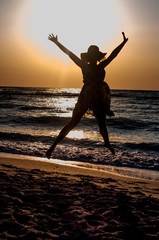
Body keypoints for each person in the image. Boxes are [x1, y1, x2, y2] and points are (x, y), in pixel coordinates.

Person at [46, 32, 128, 159]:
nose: (94, 57)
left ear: (97, 56)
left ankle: (107, 144)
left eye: (95, 55)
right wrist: (57, 43)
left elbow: (113, 55)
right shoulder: (84, 66)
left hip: (98, 96)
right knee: (73, 123)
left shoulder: (101, 65)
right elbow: (69, 54)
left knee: (102, 123)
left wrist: (123, 43)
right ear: (90, 57)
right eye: (92, 55)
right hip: (87, 96)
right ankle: (52, 147)